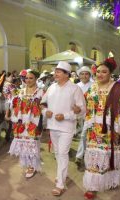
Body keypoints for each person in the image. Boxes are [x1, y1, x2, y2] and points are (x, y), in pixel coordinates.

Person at [82, 58, 120, 200]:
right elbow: (85, 105)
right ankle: (92, 186)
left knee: (110, 156)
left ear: (110, 73)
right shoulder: (91, 88)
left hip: (111, 130)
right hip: (93, 130)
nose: (100, 74)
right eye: (98, 71)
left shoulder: (117, 88)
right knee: (94, 157)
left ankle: (111, 181)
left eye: (104, 72)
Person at [40, 61, 86, 196]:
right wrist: (45, 111)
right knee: (57, 153)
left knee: (62, 153)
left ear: (67, 74)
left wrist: (66, 116)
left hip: (66, 127)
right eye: (55, 71)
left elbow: (82, 110)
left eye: (59, 72)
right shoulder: (52, 87)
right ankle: (62, 175)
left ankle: (60, 184)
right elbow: (42, 103)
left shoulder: (75, 88)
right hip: (52, 126)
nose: (56, 74)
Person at [8, 70, 44, 178]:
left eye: (31, 78)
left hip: (34, 121)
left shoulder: (40, 92)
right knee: (24, 143)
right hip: (22, 121)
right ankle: (28, 164)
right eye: (26, 78)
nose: (28, 80)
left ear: (36, 79)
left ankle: (32, 166)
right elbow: (14, 105)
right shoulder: (21, 91)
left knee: (32, 142)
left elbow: (44, 107)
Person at [75, 66, 93, 167]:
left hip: (89, 114)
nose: (84, 76)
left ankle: (79, 155)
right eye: (82, 74)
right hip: (77, 114)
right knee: (80, 134)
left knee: (84, 134)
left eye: (86, 73)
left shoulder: (94, 85)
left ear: (89, 75)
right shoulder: (76, 86)